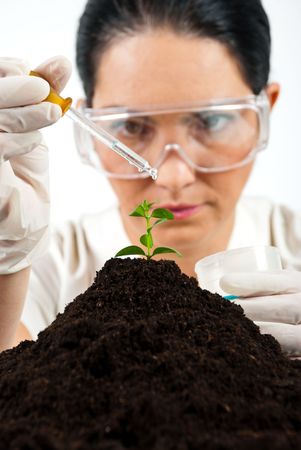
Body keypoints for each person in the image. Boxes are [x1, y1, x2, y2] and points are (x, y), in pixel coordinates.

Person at [0, 0, 300, 354]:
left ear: (265, 113)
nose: (173, 176)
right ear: (90, 124)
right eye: (131, 125)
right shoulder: (48, 269)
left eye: (212, 121)